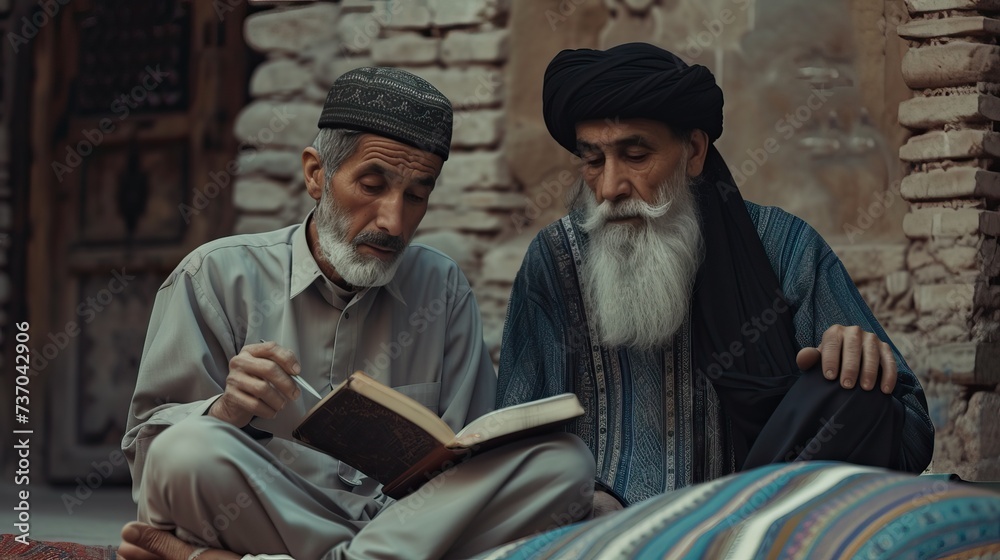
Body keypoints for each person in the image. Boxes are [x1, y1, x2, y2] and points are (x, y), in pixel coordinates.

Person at [119, 67, 594, 560]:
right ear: (315, 174)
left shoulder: (442, 288)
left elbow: (466, 464)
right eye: (372, 185)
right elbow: (150, 468)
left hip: (409, 523)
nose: (393, 221)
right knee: (184, 450)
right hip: (281, 516)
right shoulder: (215, 276)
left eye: (417, 195)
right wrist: (227, 411)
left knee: (565, 464)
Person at [496, 43, 935, 512]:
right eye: (593, 161)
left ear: (694, 151)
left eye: (636, 155)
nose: (610, 187)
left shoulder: (785, 250)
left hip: (749, 534)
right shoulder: (555, 261)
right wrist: (588, 498)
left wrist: (861, 369)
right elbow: (511, 451)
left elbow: (911, 438)